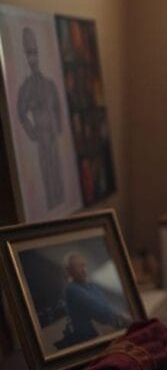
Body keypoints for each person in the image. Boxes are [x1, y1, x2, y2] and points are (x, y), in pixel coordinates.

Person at [16, 27, 66, 210]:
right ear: (26, 56)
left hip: (52, 135)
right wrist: (33, 133)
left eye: (35, 52)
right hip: (42, 138)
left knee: (57, 174)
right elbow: (20, 113)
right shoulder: (26, 88)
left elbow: (58, 107)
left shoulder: (49, 84)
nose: (33, 58)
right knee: (48, 176)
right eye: (29, 53)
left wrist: (58, 127)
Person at [57, 253, 130, 348]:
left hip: (100, 333)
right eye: (78, 267)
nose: (84, 270)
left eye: (84, 265)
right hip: (89, 341)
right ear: (70, 271)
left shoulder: (90, 285)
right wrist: (120, 315)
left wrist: (119, 314)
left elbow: (105, 304)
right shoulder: (71, 290)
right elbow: (100, 310)